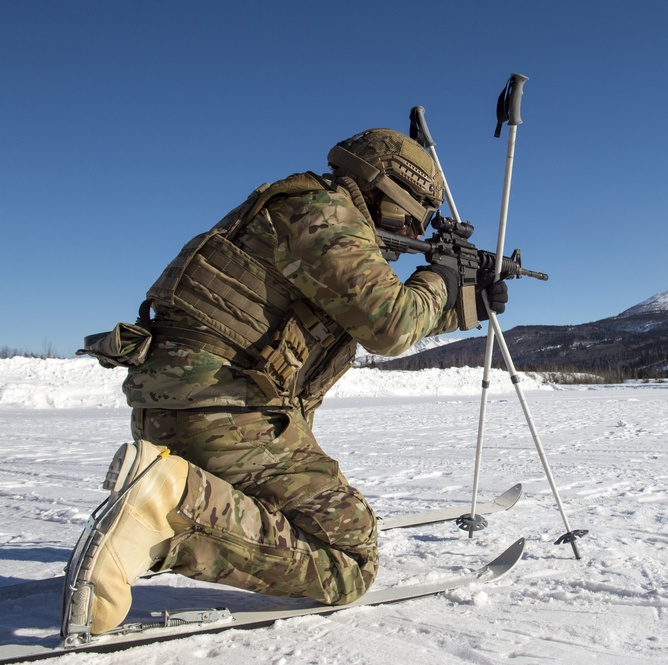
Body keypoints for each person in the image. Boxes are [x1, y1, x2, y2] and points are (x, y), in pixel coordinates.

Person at [71, 128, 509, 635]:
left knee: (311, 516)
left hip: (189, 409)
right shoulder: (323, 215)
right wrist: (442, 280)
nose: (418, 230)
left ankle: (172, 496)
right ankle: (166, 515)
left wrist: (463, 303)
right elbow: (392, 326)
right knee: (351, 557)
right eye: (418, 215)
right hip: (224, 414)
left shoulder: (300, 211)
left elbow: (366, 316)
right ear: (388, 192)